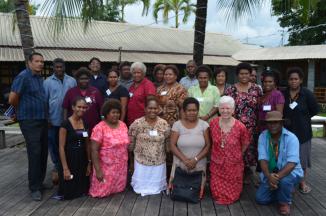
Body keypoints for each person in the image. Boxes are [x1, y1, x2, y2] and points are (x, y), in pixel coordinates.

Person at [9, 52, 49, 201]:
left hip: (42, 119)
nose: (40, 64)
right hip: (29, 121)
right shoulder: (23, 76)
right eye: (37, 61)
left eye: (42, 62)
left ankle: (40, 182)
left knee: (44, 151)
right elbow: (13, 98)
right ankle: (34, 187)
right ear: (29, 63)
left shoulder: (39, 78)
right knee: (35, 153)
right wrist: (21, 110)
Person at [256, 111, 303, 216]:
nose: (273, 125)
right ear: (266, 124)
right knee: (261, 199)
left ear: (282, 123)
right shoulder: (263, 136)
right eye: (270, 123)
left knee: (285, 181)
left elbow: (292, 163)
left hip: (290, 173)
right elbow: (262, 159)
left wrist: (275, 178)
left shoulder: (292, 138)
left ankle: (284, 202)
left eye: (276, 122)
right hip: (271, 173)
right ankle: (285, 191)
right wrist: (269, 176)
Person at [282, 67, 319, 194]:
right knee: (287, 158)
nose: (293, 81)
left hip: (303, 132)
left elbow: (315, 110)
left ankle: (302, 182)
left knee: (302, 159)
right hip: (286, 132)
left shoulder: (306, 94)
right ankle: (289, 181)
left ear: (301, 80)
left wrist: (303, 118)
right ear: (288, 80)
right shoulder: (283, 93)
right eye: (291, 79)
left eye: (296, 79)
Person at [224, 62, 263, 183]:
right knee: (236, 150)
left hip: (252, 127)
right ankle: (236, 175)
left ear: (251, 74)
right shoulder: (230, 90)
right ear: (237, 75)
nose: (244, 76)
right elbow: (226, 108)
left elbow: (260, 107)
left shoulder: (257, 89)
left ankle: (247, 174)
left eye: (247, 73)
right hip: (235, 127)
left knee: (250, 151)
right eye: (241, 73)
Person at [209, 96, 250, 204]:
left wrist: (238, 154)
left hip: (233, 164)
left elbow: (245, 143)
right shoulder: (213, 123)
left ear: (233, 110)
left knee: (233, 192)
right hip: (217, 163)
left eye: (228, 108)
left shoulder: (240, 126)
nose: (225, 111)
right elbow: (210, 141)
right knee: (216, 192)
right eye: (222, 108)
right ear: (218, 109)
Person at [169, 97, 210, 198]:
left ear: (198, 110)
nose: (192, 113)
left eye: (194, 110)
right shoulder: (177, 125)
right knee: (179, 191)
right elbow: (172, 145)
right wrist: (185, 160)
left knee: (195, 193)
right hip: (180, 164)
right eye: (189, 110)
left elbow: (208, 145)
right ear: (184, 111)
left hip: (198, 165)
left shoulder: (204, 125)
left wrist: (195, 160)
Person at [43, 58, 77, 184]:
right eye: (56, 67)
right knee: (54, 145)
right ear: (53, 68)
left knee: (67, 144)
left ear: (64, 67)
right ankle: (57, 167)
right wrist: (47, 118)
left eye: (61, 67)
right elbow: (45, 102)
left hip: (69, 120)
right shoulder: (47, 82)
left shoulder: (72, 81)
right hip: (53, 120)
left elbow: (75, 99)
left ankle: (68, 167)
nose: (59, 69)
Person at [129, 96, 170, 196]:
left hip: (159, 161)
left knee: (157, 187)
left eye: (155, 108)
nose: (153, 110)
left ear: (159, 109)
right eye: (150, 108)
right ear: (145, 109)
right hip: (141, 161)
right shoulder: (137, 123)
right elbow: (131, 144)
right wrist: (131, 161)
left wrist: (168, 154)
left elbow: (167, 142)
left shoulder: (164, 124)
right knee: (140, 187)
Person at [89, 99, 130, 197]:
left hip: (121, 166)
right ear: (106, 113)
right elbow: (94, 150)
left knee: (118, 191)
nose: (116, 115)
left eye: (118, 112)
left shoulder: (123, 125)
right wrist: (98, 170)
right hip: (106, 167)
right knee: (101, 193)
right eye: (113, 112)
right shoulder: (99, 128)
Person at [56, 97, 91, 200]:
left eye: (84, 107)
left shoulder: (85, 123)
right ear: (73, 107)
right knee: (69, 193)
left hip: (82, 159)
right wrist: (65, 169)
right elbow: (61, 147)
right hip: (69, 158)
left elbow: (87, 144)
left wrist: (89, 163)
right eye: (79, 107)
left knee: (83, 190)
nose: (81, 109)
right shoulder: (65, 124)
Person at [63, 67, 104, 133]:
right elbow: (65, 108)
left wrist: (103, 121)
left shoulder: (95, 91)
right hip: (75, 126)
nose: (84, 81)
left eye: (86, 79)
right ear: (77, 79)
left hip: (93, 126)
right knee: (79, 142)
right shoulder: (71, 92)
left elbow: (101, 108)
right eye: (81, 79)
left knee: (91, 142)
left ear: (89, 79)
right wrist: (65, 122)